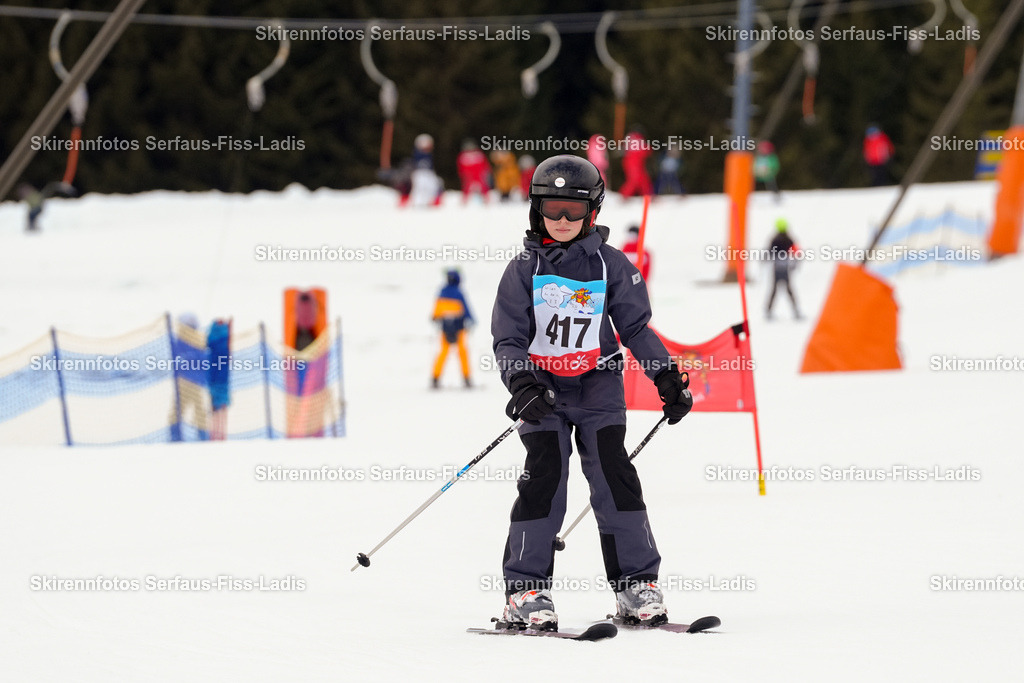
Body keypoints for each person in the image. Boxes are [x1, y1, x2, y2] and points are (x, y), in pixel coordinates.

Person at [491, 154, 693, 631]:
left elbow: (636, 327)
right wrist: (521, 383)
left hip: (598, 386)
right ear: (535, 210)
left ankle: (636, 584)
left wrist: (665, 375)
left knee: (615, 478)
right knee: (544, 480)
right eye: (551, 209)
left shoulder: (611, 265)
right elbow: (508, 338)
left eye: (573, 211)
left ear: (593, 212)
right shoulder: (523, 268)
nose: (561, 221)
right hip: (543, 391)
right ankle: (526, 591)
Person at [431, 269, 474, 389]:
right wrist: (472, 320)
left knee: (443, 353)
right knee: (462, 354)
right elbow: (466, 310)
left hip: (445, 329)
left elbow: (436, 313)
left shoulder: (441, 293)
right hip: (459, 329)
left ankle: (435, 378)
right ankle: (467, 379)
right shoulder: (459, 293)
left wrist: (436, 317)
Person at [765, 218, 802, 320]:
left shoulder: (774, 239)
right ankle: (796, 311)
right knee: (789, 290)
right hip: (785, 268)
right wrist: (795, 263)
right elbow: (796, 252)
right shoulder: (789, 239)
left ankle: (768, 311)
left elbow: (769, 252)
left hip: (777, 268)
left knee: (774, 290)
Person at [619, 128, 653, 198]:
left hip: (632, 163)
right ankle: (624, 195)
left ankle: (647, 195)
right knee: (635, 180)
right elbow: (644, 150)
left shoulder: (630, 138)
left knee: (642, 179)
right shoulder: (637, 138)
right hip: (634, 163)